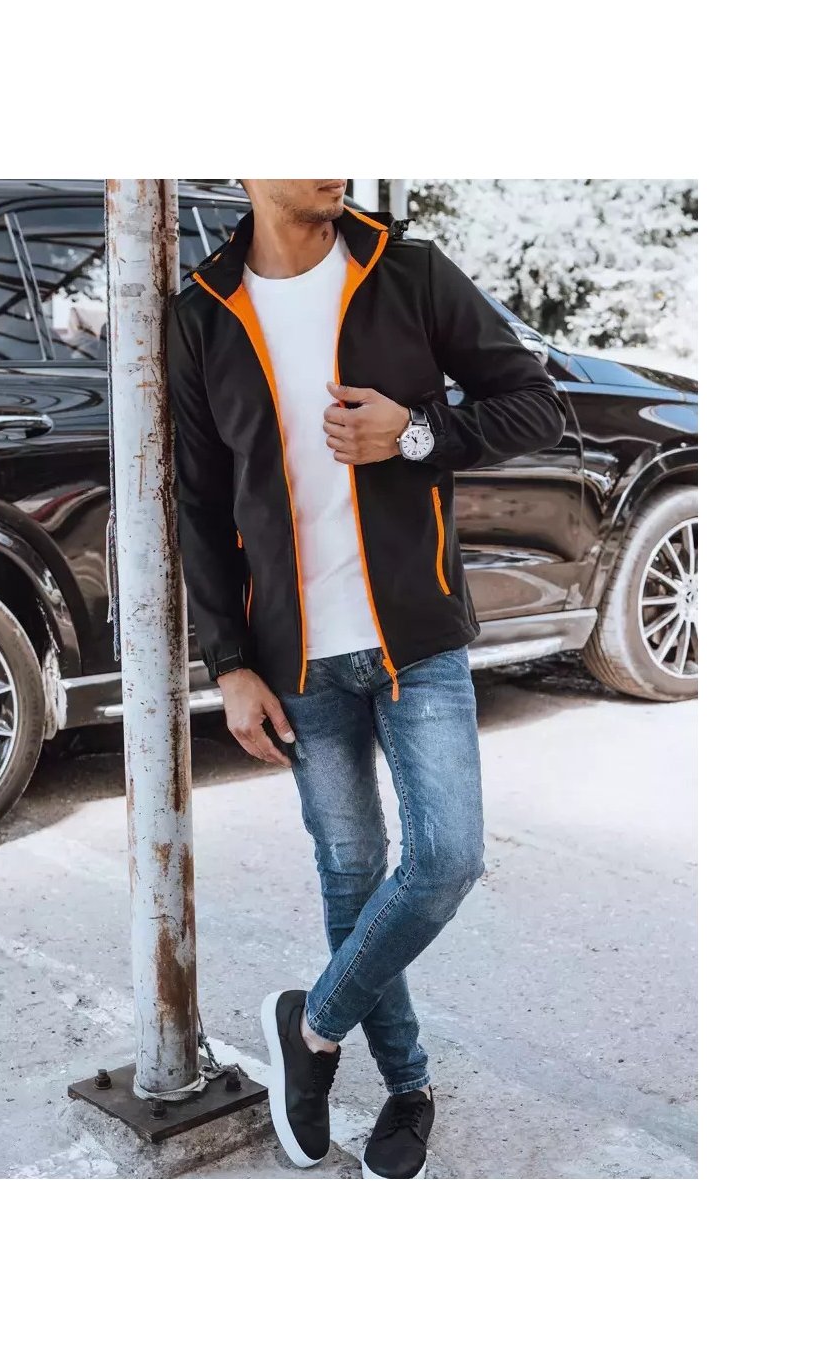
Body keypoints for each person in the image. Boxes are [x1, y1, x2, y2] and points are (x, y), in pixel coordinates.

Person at [166, 179, 566, 1179]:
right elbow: (199, 504)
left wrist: (419, 430)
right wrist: (230, 664)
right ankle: (407, 1086)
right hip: (295, 658)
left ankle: (311, 1025)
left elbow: (537, 405)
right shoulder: (203, 315)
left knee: (447, 859)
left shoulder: (408, 273)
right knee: (351, 875)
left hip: (416, 639)